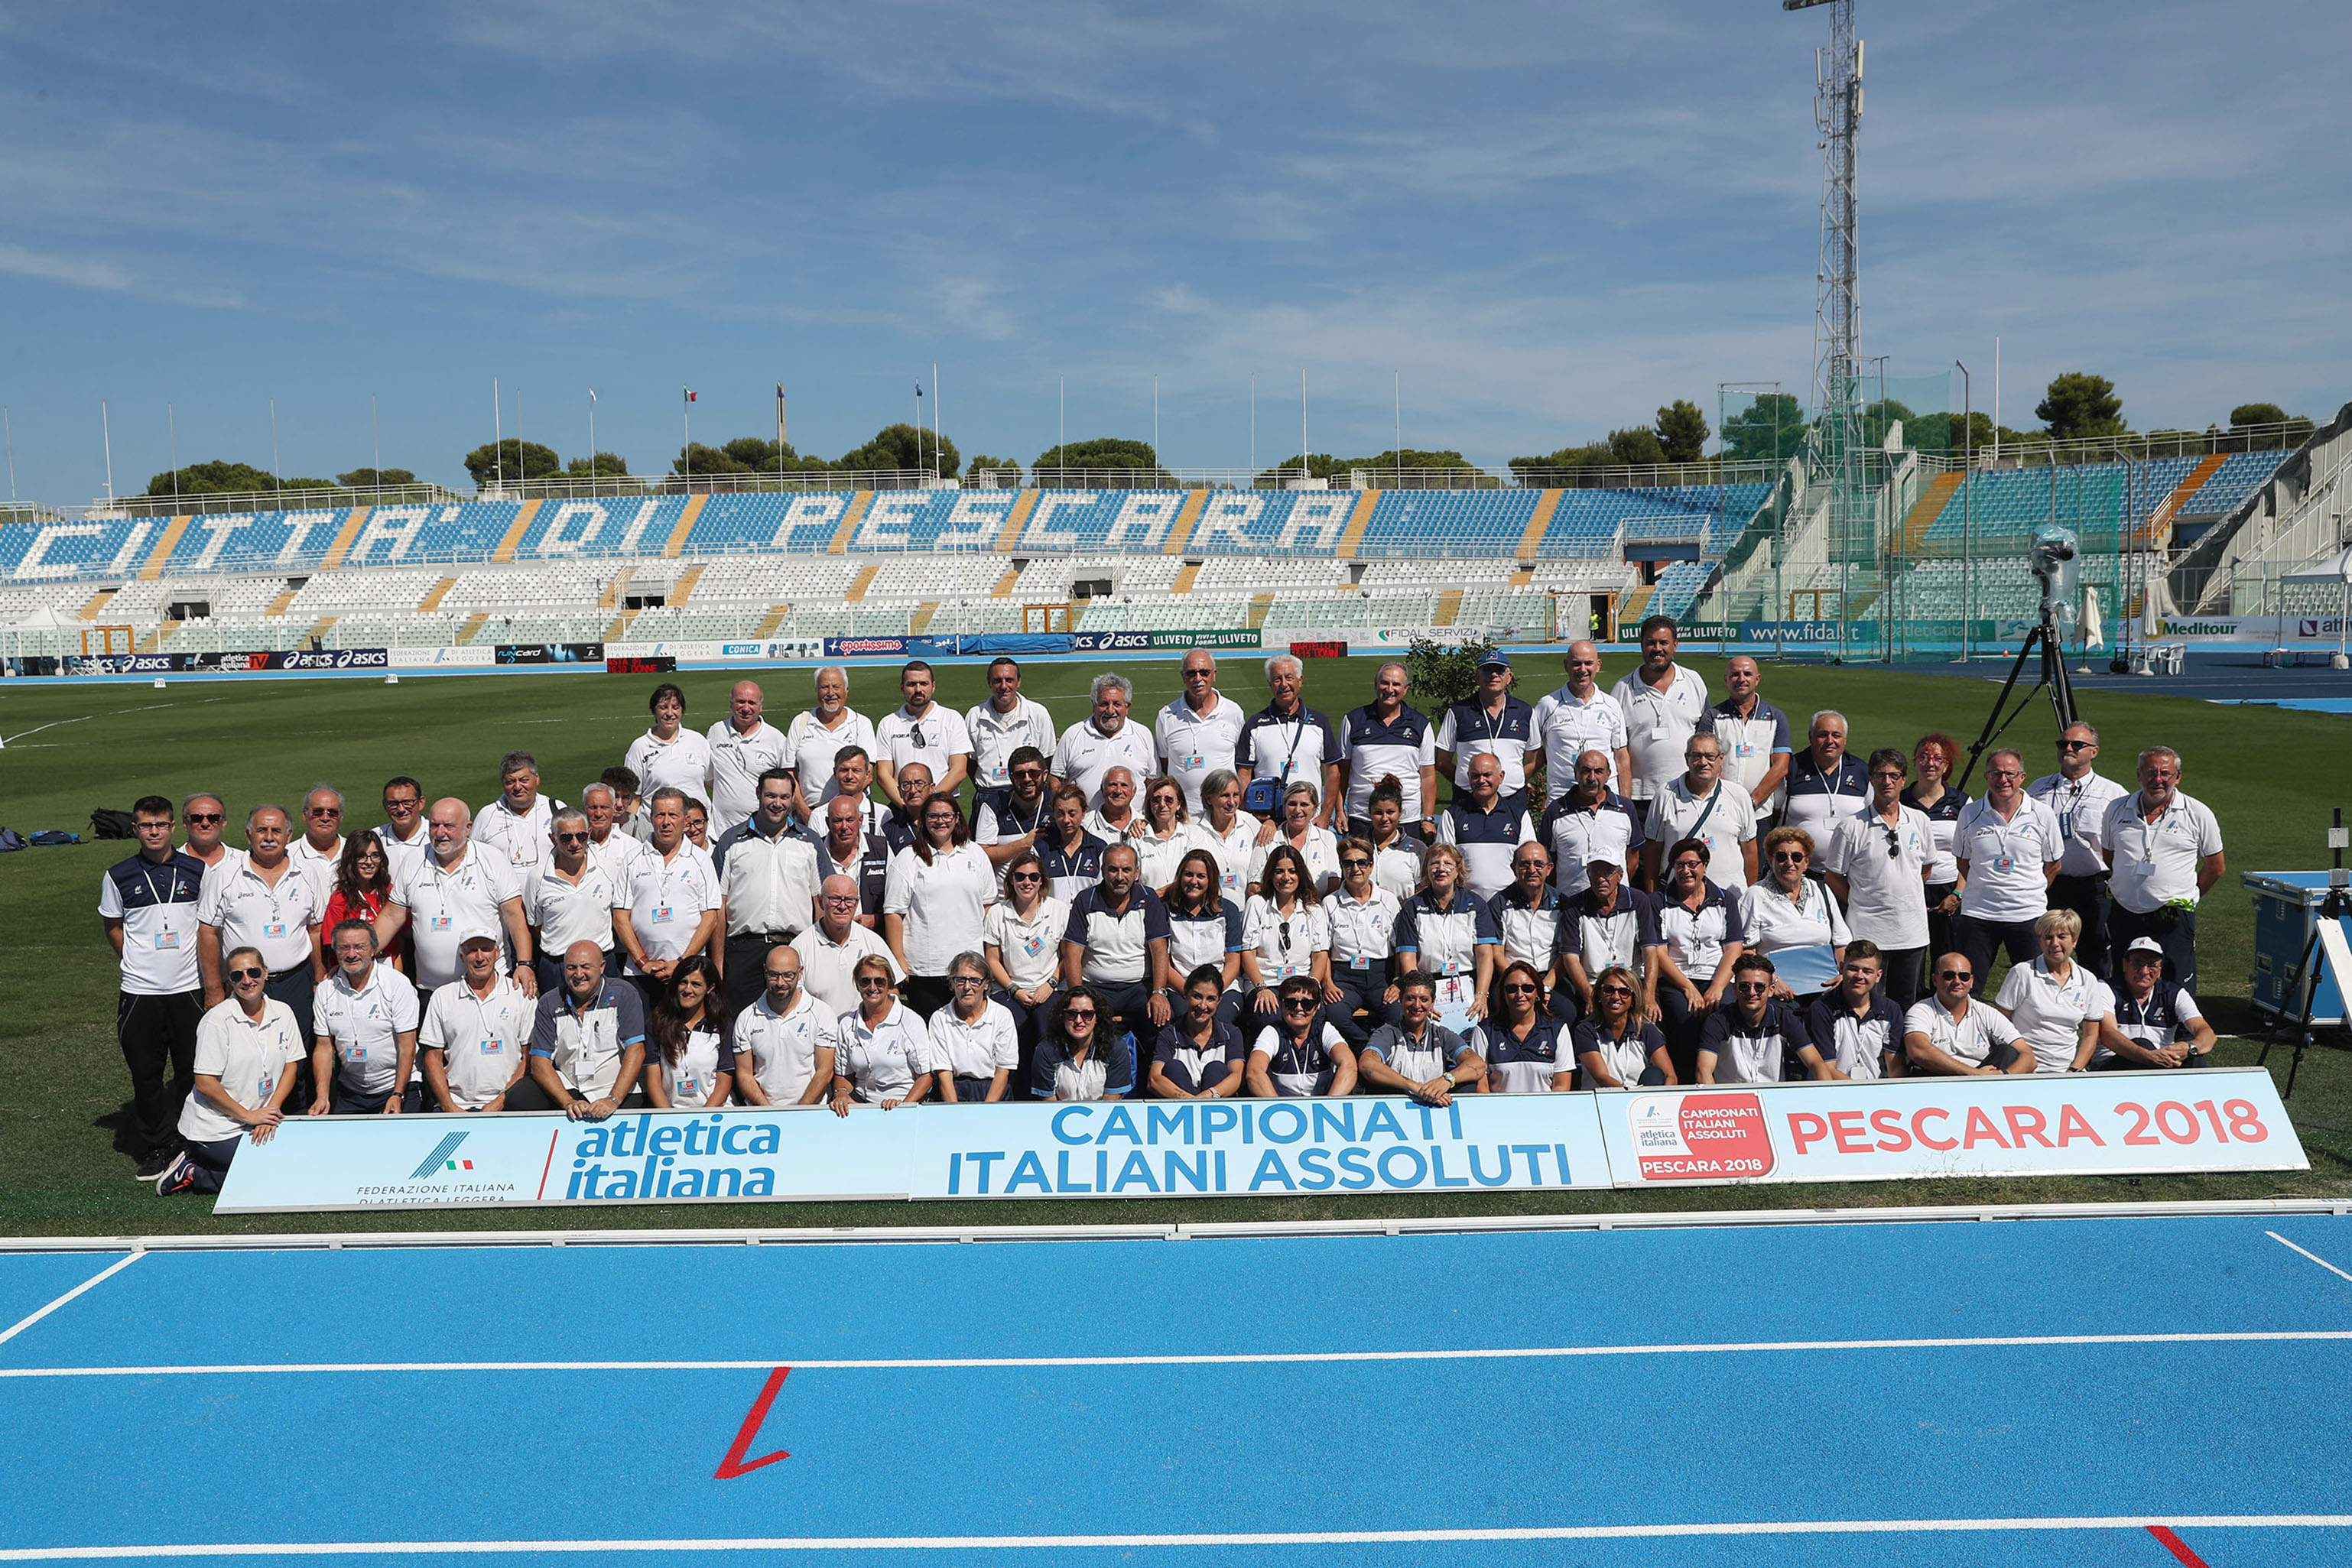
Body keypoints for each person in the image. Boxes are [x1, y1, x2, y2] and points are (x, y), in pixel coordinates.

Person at [101, 795, 210, 1179]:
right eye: (146, 825)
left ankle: (192, 1140)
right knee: (146, 1075)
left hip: (189, 988)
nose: (154, 832)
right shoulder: (118, 875)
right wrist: (136, 961)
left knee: (192, 1071)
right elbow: (113, 926)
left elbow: (208, 926)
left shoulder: (198, 870)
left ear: (173, 827)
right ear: (135, 829)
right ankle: (158, 1146)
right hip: (140, 991)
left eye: (161, 824)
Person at [153, 946, 302, 1197]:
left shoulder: (283, 1012)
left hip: (259, 1118)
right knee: (267, 1173)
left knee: (291, 1163)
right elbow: (205, 1083)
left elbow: (291, 1066)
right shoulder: (216, 1021)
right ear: (229, 980)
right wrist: (249, 1116)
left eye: (254, 972)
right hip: (216, 1127)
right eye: (237, 975)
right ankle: (193, 1172)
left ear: (265, 972)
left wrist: (269, 1112)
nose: (247, 980)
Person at [378, 797, 534, 997]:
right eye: (434, 825)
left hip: (487, 985)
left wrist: (525, 963)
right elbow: (392, 916)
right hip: (430, 989)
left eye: (448, 826)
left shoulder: (492, 859)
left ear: (468, 828)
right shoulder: (414, 860)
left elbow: (515, 916)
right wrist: (363, 951)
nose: (440, 833)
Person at [2101, 746, 2225, 990]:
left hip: (2173, 913)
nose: (2157, 779)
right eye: (2151, 772)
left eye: (2165, 773)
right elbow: (2110, 856)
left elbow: (2216, 867)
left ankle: (2178, 1018)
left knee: (2176, 979)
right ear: (2139, 775)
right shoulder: (2116, 809)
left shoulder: (2198, 813)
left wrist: (2189, 894)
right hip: (2125, 910)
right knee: (2126, 977)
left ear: (2177, 777)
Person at [197, 807, 323, 1043]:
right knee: (247, 1049)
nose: (269, 837)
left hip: (296, 982)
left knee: (298, 1049)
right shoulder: (225, 875)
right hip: (245, 983)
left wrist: (318, 979)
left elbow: (315, 930)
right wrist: (214, 989)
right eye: (261, 830)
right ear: (249, 836)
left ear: (289, 836)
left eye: (277, 831)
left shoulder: (307, 873)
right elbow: (208, 932)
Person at [1822, 750, 1934, 1005]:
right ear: (1871, 778)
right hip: (1867, 934)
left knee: (1906, 1004)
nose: (1887, 782)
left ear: (1904, 779)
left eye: (1894, 775)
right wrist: (1860, 899)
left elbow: (1925, 869)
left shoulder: (1920, 821)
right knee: (1863, 1001)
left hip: (1912, 933)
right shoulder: (1851, 826)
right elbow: (1833, 875)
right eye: (1880, 775)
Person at [1953, 748, 2064, 996]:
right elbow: (1963, 861)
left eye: (2010, 774)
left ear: (2022, 777)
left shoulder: (2042, 814)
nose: (2003, 780)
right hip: (1978, 914)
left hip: (2028, 914)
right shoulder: (1970, 813)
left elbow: (2053, 865)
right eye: (1996, 773)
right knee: (1968, 988)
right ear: (1986, 777)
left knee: (2035, 989)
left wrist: (2029, 890)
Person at [712, 768, 821, 1012]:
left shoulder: (810, 841)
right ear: (758, 793)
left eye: (784, 797)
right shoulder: (731, 840)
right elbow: (718, 906)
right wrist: (718, 964)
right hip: (743, 951)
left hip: (796, 948)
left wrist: (818, 956)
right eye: (771, 796)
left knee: (794, 1022)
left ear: (793, 798)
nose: (777, 803)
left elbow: (820, 904)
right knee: (740, 1024)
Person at [1644, 836, 1749, 1080]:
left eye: (1692, 864)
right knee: (1685, 1016)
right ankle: (1686, 1080)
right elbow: (1659, 952)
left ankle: (1725, 1078)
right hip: (1677, 978)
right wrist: (1688, 988)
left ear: (1705, 866)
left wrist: (1717, 987)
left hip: (1717, 976)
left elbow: (1734, 949)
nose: (1686, 871)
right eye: (1679, 865)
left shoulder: (1725, 899)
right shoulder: (1658, 901)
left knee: (1726, 1012)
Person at [885, 796, 997, 1020]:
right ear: (923, 820)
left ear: (957, 818)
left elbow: (988, 906)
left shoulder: (976, 854)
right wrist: (898, 958)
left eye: (946, 815)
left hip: (970, 968)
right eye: (933, 816)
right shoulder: (908, 857)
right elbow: (894, 912)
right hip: (926, 968)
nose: (940, 821)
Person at [2029, 722, 2128, 974]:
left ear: (2094, 751)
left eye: (2077, 744)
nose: (2068, 749)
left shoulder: (2113, 793)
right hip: (2051, 884)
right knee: (2048, 951)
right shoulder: (2037, 790)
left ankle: (2095, 999)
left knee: (2095, 955)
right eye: (2063, 744)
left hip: (2095, 888)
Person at [1061, 842, 1173, 1051]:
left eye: (1126, 870)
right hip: (1097, 987)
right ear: (1103, 871)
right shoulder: (1085, 900)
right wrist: (1078, 996)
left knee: (1161, 1020)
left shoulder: (1149, 898)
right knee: (1078, 1024)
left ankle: (1156, 1071)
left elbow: (1159, 950)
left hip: (1139, 986)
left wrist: (1159, 992)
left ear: (1137, 872)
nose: (1120, 877)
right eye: (1113, 870)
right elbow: (1072, 953)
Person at [516, 940, 648, 1118]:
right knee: (519, 1097)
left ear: (602, 967)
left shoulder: (624, 994)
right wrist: (567, 1101)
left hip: (614, 1087)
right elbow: (540, 1062)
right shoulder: (549, 1002)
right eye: (571, 968)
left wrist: (613, 1099)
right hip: (569, 1086)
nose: (579, 974)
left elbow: (636, 1051)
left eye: (586, 967)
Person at [612, 787, 720, 994]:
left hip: (689, 972)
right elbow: (620, 918)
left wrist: (682, 962)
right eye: (660, 815)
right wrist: (643, 962)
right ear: (651, 818)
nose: (666, 822)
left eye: (673, 815)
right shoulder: (632, 859)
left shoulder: (701, 860)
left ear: (685, 820)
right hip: (640, 972)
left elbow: (710, 918)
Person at [309, 919, 421, 1114]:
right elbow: (324, 1048)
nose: (352, 954)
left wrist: (397, 1094)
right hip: (351, 1091)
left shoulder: (397, 984)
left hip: (397, 1087)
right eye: (344, 947)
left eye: (359, 947)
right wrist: (322, 1096)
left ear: (373, 950)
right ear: (335, 951)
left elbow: (407, 1045)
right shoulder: (326, 990)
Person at [418, 927, 536, 1112]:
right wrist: (449, 1106)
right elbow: (433, 1057)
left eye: (486, 949)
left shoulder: (520, 994)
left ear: (497, 953)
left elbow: (529, 1055)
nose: (480, 957)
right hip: (457, 1106)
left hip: (510, 1104)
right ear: (462, 957)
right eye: (472, 951)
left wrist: (502, 1100)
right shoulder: (443, 996)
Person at [1996, 909, 2122, 1074]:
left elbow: (2091, 1035)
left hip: (2068, 1072)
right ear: (2040, 941)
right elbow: (2000, 1022)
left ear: (2074, 940)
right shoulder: (2022, 973)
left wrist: (2073, 1071)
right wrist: (2021, 1064)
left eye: (2062, 937)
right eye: (2048, 937)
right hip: (2026, 1070)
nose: (2055, 943)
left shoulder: (2088, 980)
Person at [1394, 843, 1500, 1033]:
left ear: (1458, 870)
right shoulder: (1412, 908)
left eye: (1448, 864)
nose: (1441, 869)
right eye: (1434, 863)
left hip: (1468, 983)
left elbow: (1485, 956)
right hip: (1427, 984)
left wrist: (1481, 995)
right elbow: (1408, 958)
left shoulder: (1476, 904)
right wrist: (1421, 998)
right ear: (1426, 870)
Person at [1740, 827, 1850, 1002]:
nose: (1789, 863)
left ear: (1806, 862)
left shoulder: (1822, 891)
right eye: (1781, 857)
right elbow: (1746, 951)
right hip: (1775, 993)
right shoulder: (1755, 895)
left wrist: (1843, 975)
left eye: (1797, 857)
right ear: (1771, 860)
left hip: (1825, 989)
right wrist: (1771, 980)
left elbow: (1841, 944)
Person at [1610, 615, 1710, 803]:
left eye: (1664, 642)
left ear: (1675, 645)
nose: (1657, 649)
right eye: (1651, 643)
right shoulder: (1622, 689)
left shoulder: (1694, 681)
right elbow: (1615, 749)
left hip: (1687, 791)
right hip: (1640, 795)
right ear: (1641, 645)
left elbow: (1707, 739)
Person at [983, 846, 1067, 1067]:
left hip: (1050, 988)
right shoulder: (997, 913)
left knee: (1047, 1029)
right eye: (1020, 877)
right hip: (1008, 990)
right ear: (1011, 880)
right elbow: (992, 959)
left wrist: (1050, 984)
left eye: (1033, 877)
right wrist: (1015, 990)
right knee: (1013, 1031)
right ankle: (1013, 1084)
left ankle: (1045, 1083)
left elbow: (1068, 957)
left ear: (1042, 881)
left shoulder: (1060, 910)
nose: (1026, 882)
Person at [523, 808, 622, 996]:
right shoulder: (537, 877)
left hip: (602, 961)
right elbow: (535, 925)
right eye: (566, 838)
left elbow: (617, 917)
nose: (575, 843)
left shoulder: (608, 869)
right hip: (556, 966)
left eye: (581, 836)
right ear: (553, 839)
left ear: (589, 834)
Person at [1642, 732, 1757, 893]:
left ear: (1721, 758)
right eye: (1696, 756)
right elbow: (1652, 854)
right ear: (1686, 759)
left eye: (1710, 756)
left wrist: (1750, 895)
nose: (1703, 762)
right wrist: (1652, 898)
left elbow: (1750, 852)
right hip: (1679, 898)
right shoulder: (1665, 795)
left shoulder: (1738, 795)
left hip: (1731, 898)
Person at [1697, 953, 1837, 1085]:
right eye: (1744, 986)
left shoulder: (1784, 1018)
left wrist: (1826, 1096)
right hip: (1732, 1099)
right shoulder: (1718, 1021)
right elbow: (1703, 1070)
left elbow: (1816, 1063)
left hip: (1774, 1097)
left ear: (1771, 990)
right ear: (1734, 989)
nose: (1752, 992)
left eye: (1759, 987)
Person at [1237, 654, 1343, 828]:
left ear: (1300, 681)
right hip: (1267, 824)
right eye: (1277, 679)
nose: (1284, 684)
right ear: (1270, 684)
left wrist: (1325, 815)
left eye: (1289, 677)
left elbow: (1333, 772)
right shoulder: (1255, 724)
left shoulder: (1319, 721)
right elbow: (1244, 774)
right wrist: (1250, 817)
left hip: (1310, 821)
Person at [1337, 661, 1437, 833]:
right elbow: (1341, 772)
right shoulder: (1354, 720)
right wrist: (1339, 811)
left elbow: (1427, 775)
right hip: (1362, 817)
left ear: (1405, 689)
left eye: (1396, 684)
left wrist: (1427, 818)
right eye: (1385, 683)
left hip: (1407, 818)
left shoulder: (1420, 724)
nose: (1390, 689)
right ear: (1376, 685)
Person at [732, 946, 839, 1107]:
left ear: (800, 973)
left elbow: (825, 1071)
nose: (780, 983)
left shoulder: (822, 1013)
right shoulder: (746, 1018)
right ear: (765, 972)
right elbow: (744, 1074)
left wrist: (799, 1112)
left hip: (810, 1111)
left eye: (788, 975)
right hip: (763, 1113)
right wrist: (768, 1111)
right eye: (774, 975)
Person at [1440, 649, 1540, 816]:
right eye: (1487, 670)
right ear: (1477, 677)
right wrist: (1469, 781)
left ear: (1509, 677)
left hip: (1513, 799)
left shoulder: (1525, 712)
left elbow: (1535, 760)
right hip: (1467, 799)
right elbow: (1442, 762)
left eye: (1499, 670)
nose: (1493, 675)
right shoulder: (1459, 711)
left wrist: (1513, 778)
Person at [1357, 972, 1483, 1102]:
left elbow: (1478, 1065)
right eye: (1411, 998)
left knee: (1468, 1084)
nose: (1417, 1005)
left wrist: (1447, 1080)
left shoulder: (1441, 1033)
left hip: (1433, 1106)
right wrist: (1415, 1087)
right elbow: (1367, 1065)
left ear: (1433, 1002)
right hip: (1396, 1105)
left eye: (1424, 1000)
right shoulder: (1387, 1033)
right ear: (1400, 999)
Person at [1532, 641, 1632, 807]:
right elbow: (1534, 756)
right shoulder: (1547, 705)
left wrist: (1626, 803)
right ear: (1566, 665)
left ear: (1598, 665)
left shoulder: (1611, 705)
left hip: (1606, 801)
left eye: (1588, 663)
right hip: (1562, 800)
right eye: (1577, 663)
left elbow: (1621, 757)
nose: (1583, 669)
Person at [1242, 844, 1330, 1027]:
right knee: (1270, 1018)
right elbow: (1248, 952)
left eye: (1292, 871)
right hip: (1266, 982)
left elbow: (1320, 955)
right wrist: (1261, 988)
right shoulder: (1256, 904)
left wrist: (1312, 986)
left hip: (1302, 985)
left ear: (1301, 875)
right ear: (1270, 875)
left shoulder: (1314, 909)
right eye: (1279, 871)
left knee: (1315, 1019)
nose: (1286, 877)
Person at [1324, 839, 1402, 1046]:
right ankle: (1368, 1049)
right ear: (1341, 867)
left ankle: (1377, 1052)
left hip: (1380, 976)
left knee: (1397, 1013)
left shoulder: (1388, 900)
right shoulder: (1330, 903)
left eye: (1362, 862)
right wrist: (1328, 983)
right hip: (1344, 978)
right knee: (1334, 1014)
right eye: (1348, 863)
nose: (1355, 868)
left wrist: (1397, 982)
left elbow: (1400, 948)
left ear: (1371, 865)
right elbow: (1323, 950)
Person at [791, 875, 903, 1021]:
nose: (843, 906)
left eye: (849, 900)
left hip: (864, 1030)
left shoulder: (873, 941)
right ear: (820, 901)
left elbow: (892, 990)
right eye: (835, 899)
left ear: (857, 903)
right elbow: (792, 1001)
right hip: (818, 1031)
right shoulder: (800, 946)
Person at [2097, 936, 2217, 1070]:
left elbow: (2207, 1033)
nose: (2144, 972)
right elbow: (2108, 1034)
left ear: (2160, 970)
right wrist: (2147, 1055)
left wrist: (2190, 1048)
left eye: (2152, 965)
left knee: (2195, 1057)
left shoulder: (2174, 993)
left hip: (2164, 1063)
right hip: (2114, 1065)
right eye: (2137, 963)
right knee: (2141, 1043)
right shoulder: (2107, 988)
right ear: (2125, 965)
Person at [1558, 857, 1655, 1025]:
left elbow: (1650, 951)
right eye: (1595, 872)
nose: (1601, 879)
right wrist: (1590, 996)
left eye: (1607, 873)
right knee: (1576, 1018)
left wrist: (1648, 995)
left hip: (1631, 980)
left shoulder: (1638, 900)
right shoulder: (1574, 906)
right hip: (1593, 983)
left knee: (1653, 1018)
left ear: (1620, 875)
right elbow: (1570, 958)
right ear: (1588, 876)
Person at [1158, 849, 1245, 1030]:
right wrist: (1191, 992)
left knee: (1220, 1022)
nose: (1194, 881)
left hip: (1223, 988)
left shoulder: (1228, 910)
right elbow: (1164, 961)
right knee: (1184, 1022)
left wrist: (1212, 993)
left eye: (1201, 876)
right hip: (1181, 988)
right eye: (1188, 875)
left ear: (1211, 880)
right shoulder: (1165, 910)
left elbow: (1233, 961)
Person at [1904, 954, 2032, 1076]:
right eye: (1949, 976)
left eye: (1964, 976)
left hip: (1983, 1083)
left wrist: (2003, 1075)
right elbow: (1918, 1050)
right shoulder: (1921, 1011)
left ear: (1971, 982)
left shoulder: (1987, 1013)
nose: (1957, 981)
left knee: (2008, 1052)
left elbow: (2028, 1057)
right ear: (1935, 980)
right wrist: (1974, 1074)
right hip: (1936, 1081)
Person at [1904, 732, 1971, 964]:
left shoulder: (1962, 803)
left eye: (1937, 758)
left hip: (1949, 890)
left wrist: (1958, 894)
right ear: (1915, 763)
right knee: (1911, 959)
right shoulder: (1900, 800)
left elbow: (1970, 855)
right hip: (1909, 889)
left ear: (1946, 765)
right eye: (1923, 757)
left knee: (1947, 960)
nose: (1930, 763)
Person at [1541, 748, 1645, 898]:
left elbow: (1633, 859)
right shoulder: (1556, 811)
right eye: (1586, 771)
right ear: (1575, 773)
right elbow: (1547, 862)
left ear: (1608, 775)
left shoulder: (1625, 808)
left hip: (1615, 903)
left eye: (1599, 771)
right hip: (1570, 902)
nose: (1592, 778)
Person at [1155, 650, 1247, 814]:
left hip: (1224, 813)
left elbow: (1242, 762)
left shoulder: (1233, 712)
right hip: (1183, 814)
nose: (1198, 679)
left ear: (1214, 675)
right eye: (1191, 673)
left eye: (1204, 673)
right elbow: (1165, 761)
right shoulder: (1167, 715)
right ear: (1183, 677)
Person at [1435, 752, 1537, 900]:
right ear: (1469, 777)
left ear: (1501, 777)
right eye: (1476, 776)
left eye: (1487, 775)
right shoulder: (1453, 815)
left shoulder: (1519, 815)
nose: (1482, 780)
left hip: (1509, 903)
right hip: (1465, 903)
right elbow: (1444, 862)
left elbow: (1528, 859)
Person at [1489, 842, 1572, 1023]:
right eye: (1525, 864)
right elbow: (1497, 953)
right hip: (1511, 975)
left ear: (1549, 869)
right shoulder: (1499, 903)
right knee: (1498, 1005)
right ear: (1514, 868)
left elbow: (1565, 954)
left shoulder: (1563, 904)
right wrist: (1520, 983)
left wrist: (1545, 987)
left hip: (1550, 976)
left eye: (1538, 864)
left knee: (1568, 1011)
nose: (1532, 869)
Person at [1054, 672, 1160, 810]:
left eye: (1117, 704)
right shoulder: (1072, 735)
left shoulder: (1143, 734)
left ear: (1127, 707)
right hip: (1084, 822)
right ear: (1093, 705)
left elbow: (1153, 783)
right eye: (1104, 704)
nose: (1110, 710)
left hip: (1135, 823)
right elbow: (1057, 781)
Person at [1711, 657, 1793, 834]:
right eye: (1735, 674)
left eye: (1747, 674)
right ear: (1726, 679)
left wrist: (1752, 802)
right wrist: (1727, 801)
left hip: (1760, 813)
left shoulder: (1776, 717)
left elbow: (1780, 768)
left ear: (1757, 679)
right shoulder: (1712, 716)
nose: (1741, 679)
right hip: (1720, 811)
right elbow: (1709, 763)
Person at [1805, 940, 1906, 1080]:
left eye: (1867, 971)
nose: (1859, 976)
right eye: (1853, 969)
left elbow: (1896, 1068)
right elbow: (1826, 1069)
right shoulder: (1821, 1009)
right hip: (1832, 1088)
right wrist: (1860, 1090)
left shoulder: (1891, 1010)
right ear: (1841, 968)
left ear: (1878, 976)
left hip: (1877, 1089)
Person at [876, 660, 972, 807]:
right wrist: (907, 806)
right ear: (902, 688)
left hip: (942, 808)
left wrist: (930, 804)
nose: (918, 689)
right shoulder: (888, 723)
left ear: (933, 687)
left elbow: (959, 770)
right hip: (903, 807)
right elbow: (883, 774)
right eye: (911, 684)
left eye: (923, 684)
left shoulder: (952, 719)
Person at [644, 956, 735, 1109]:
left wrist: (704, 1117)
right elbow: (654, 1082)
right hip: (671, 1114)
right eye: (683, 982)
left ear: (710, 988)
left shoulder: (722, 1025)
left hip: (715, 1112)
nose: (687, 990)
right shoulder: (657, 1023)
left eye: (696, 984)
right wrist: (667, 1116)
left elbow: (724, 1083)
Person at [787, 667, 877, 817]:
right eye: (824, 687)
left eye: (836, 687)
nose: (830, 693)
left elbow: (867, 775)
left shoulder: (861, 723)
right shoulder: (801, 722)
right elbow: (789, 773)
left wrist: (841, 811)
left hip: (849, 816)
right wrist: (806, 813)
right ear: (817, 691)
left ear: (846, 690)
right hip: (807, 814)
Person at [1473, 960, 1577, 1092]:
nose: (1520, 994)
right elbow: (1482, 1087)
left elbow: (1561, 1086)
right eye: (1511, 989)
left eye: (1527, 988)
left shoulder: (1558, 1029)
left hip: (1545, 1106)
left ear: (1538, 992)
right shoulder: (1484, 1031)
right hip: (1499, 1106)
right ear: (1502, 993)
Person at [929, 951, 1019, 1103]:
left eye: (975, 981)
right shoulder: (940, 1018)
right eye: (960, 980)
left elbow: (1003, 1071)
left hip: (993, 1089)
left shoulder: (1002, 1015)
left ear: (987, 984)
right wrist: (953, 1110)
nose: (967, 987)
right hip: (953, 1090)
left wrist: (985, 1110)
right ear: (952, 984)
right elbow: (943, 1073)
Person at [1247, 975, 1356, 1097]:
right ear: (1281, 1005)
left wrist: (1328, 1104)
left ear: (1316, 1008)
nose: (1299, 1008)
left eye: (1307, 1004)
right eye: (1291, 1003)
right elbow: (1254, 1072)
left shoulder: (1325, 1030)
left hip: (1323, 1103)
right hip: (1282, 1105)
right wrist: (1279, 1106)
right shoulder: (1272, 1032)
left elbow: (1349, 1066)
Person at [1149, 965, 1249, 1099]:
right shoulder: (1169, 1034)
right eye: (1197, 997)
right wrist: (1191, 1101)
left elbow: (1237, 1077)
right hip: (1181, 1107)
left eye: (1210, 999)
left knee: (1216, 1069)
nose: (1202, 1006)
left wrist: (1207, 1096)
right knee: (1173, 1067)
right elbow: (1154, 1079)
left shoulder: (1231, 1034)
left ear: (1219, 1000)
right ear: (1186, 994)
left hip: (1217, 1106)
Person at [707, 680, 791, 836]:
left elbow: (788, 785)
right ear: (731, 703)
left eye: (752, 703)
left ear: (761, 706)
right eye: (740, 702)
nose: (746, 708)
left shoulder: (776, 739)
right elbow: (709, 778)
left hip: (762, 831)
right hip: (721, 831)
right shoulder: (716, 732)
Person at [966, 657, 1057, 794]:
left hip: (1026, 793)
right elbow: (970, 762)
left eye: (1009, 680)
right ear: (989, 683)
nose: (1003, 686)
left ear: (1018, 682)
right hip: (988, 792)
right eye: (997, 681)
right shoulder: (975, 715)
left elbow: (1046, 758)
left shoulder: (1038, 713)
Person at [1779, 710, 1868, 850]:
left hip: (1852, 863)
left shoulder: (1862, 770)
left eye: (1836, 735)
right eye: (1823, 735)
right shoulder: (1792, 767)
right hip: (1797, 862)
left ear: (1845, 740)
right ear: (1811, 737)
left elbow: (1875, 815)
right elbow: (1773, 814)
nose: (1830, 741)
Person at [1029, 985, 1136, 1101]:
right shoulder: (1046, 1049)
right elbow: (1048, 1104)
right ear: (1062, 1016)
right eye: (1072, 1013)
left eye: (1087, 1014)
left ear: (1097, 1017)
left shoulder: (1116, 1047)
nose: (1078, 1020)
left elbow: (1111, 1102)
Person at [1573, 966, 1673, 1089]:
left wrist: (1658, 1097)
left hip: (1641, 1099)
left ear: (1633, 998)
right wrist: (1628, 1097)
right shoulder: (1586, 1030)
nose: (1616, 997)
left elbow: (1670, 1076)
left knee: (1655, 1075)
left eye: (1624, 992)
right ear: (1599, 995)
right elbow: (1602, 1078)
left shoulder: (1646, 1029)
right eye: (1609, 990)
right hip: (1603, 1097)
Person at [324, 830, 406, 976]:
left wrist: (397, 966)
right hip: (354, 972)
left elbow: (399, 937)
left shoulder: (391, 892)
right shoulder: (340, 899)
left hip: (389, 968)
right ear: (351, 859)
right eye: (362, 856)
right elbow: (334, 946)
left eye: (375, 855)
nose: (369, 862)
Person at [625, 683, 714, 810]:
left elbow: (712, 781)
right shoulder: (640, 747)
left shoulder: (698, 740)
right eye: (663, 708)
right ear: (654, 711)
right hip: (659, 821)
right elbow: (633, 798)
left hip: (697, 821)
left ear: (682, 710)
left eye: (676, 707)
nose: (670, 713)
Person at [474, 751, 560, 880]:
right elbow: (473, 859)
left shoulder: (556, 809)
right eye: (510, 782)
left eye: (524, 780)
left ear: (537, 779)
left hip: (549, 890)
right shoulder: (487, 815)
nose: (518, 787)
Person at [1249, 780, 1341, 895]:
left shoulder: (1327, 838)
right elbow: (1254, 886)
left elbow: (1334, 883)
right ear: (1284, 807)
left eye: (1304, 805)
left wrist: (1312, 904)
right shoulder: (1268, 836)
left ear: (1315, 808)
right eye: (1292, 804)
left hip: (1317, 904)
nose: (1297, 810)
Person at [811, 794, 890, 925]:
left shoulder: (882, 849)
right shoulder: (815, 852)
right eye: (837, 820)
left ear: (860, 820)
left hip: (873, 933)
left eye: (850, 820)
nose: (844, 827)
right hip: (828, 933)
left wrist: (876, 919)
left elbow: (897, 898)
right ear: (827, 822)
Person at [1183, 769, 1261, 904]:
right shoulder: (1191, 826)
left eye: (1236, 795)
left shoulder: (1252, 824)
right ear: (1209, 799)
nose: (1232, 802)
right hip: (1205, 910)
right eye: (1225, 796)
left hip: (1244, 910)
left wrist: (1271, 823)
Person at [974, 746, 1054, 865]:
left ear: (1045, 775)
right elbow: (983, 855)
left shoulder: (1055, 804)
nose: (1027, 779)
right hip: (1007, 877)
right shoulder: (994, 805)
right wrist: (1024, 844)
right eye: (1020, 775)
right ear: (1011, 777)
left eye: (1033, 773)